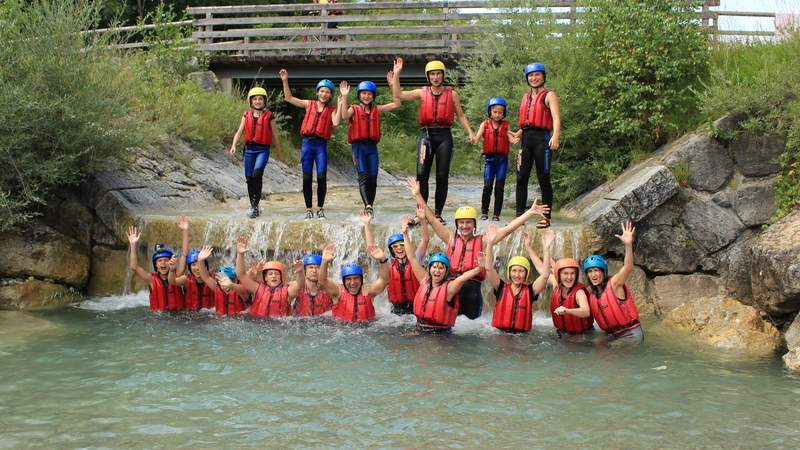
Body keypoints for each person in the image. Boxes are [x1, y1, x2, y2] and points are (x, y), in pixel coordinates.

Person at [407, 177, 550, 319]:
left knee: (471, 331)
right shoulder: (450, 238)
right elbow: (431, 219)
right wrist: (418, 195)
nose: (464, 226)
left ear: (474, 225)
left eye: (468, 222)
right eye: (461, 223)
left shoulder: (483, 241)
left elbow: (507, 230)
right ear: (457, 224)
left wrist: (529, 213)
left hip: (472, 293)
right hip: (450, 290)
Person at [391, 56, 475, 223]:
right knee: (421, 175)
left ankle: (437, 214)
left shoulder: (452, 94)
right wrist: (397, 74)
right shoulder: (421, 93)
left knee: (442, 176)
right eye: (432, 74)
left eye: (438, 74)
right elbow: (398, 94)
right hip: (426, 137)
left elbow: (461, 115)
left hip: (444, 137)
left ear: (443, 75)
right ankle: (420, 213)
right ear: (428, 76)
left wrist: (471, 132)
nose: (435, 77)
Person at [400, 216, 484, 333]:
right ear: (429, 269)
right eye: (434, 267)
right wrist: (405, 234)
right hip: (419, 329)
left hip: (441, 335)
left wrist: (479, 268)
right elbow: (412, 258)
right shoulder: (424, 279)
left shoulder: (450, 287)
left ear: (446, 271)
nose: (437, 271)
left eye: (441, 268)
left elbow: (465, 276)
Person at [279, 69, 342, 219]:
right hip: (307, 144)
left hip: (320, 146)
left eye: (327, 92)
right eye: (322, 91)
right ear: (317, 93)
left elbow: (336, 122)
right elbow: (288, 98)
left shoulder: (332, 110)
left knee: (321, 177)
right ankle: (308, 210)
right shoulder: (309, 104)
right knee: (306, 178)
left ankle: (320, 209)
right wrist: (285, 80)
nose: (324, 94)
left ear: (331, 95)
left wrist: (340, 104)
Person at [337, 76, 401, 216]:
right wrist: (345, 97)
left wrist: (392, 84)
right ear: (359, 95)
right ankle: (368, 205)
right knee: (363, 176)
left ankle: (370, 207)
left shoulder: (377, 109)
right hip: (358, 147)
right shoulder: (353, 108)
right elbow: (343, 116)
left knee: (373, 178)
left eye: (369, 94)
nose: (366, 96)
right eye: (364, 93)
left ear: (373, 96)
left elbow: (397, 104)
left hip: (372, 148)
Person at [514, 62, 561, 228]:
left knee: (543, 178)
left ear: (543, 76)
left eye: (537, 75)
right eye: (531, 76)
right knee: (521, 178)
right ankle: (519, 216)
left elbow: (555, 117)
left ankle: (546, 217)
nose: (534, 78)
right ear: (527, 78)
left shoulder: (549, 95)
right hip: (525, 139)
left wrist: (555, 136)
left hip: (542, 139)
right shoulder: (525, 97)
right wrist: (518, 134)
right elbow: (527, 122)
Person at [360, 208, 429, 315]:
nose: (399, 248)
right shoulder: (389, 265)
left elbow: (425, 240)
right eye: (395, 246)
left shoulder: (416, 259)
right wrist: (366, 224)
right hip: (396, 314)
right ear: (391, 250)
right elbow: (372, 249)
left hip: (416, 309)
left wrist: (423, 220)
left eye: (402, 245)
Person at [484, 228, 554, 333]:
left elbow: (545, 275)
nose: (517, 275)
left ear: (526, 274)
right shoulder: (500, 287)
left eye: (521, 271)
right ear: (509, 272)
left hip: (522, 338)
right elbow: (489, 268)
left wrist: (546, 249)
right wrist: (489, 244)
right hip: (499, 335)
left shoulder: (531, 291)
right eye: (514, 271)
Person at [584, 221, 643, 345]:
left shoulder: (614, 283)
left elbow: (627, 267)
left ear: (603, 272)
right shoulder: (591, 291)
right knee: (588, 345)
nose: (593, 275)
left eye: (596, 271)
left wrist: (628, 245)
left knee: (605, 355)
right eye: (590, 272)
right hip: (612, 335)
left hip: (630, 334)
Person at [229, 87, 283, 219]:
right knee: (249, 179)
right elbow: (240, 131)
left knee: (257, 174)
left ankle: (255, 204)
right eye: (255, 99)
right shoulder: (246, 115)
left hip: (263, 150)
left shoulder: (269, 116)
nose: (258, 101)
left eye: (260, 99)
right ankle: (254, 207)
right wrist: (233, 145)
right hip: (249, 150)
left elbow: (275, 136)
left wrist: (278, 152)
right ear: (251, 101)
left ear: (264, 101)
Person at [470, 97, 520, 221]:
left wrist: (514, 140)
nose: (497, 115)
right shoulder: (485, 124)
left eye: (500, 112)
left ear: (503, 113)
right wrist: (473, 138)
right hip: (489, 160)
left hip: (502, 160)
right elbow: (476, 139)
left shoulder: (506, 126)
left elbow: (511, 138)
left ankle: (496, 214)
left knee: (499, 187)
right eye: (495, 112)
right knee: (487, 186)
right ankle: (484, 212)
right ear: (490, 112)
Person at [126, 217, 188, 312]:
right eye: (159, 261)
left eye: (166, 260)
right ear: (156, 266)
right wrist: (133, 245)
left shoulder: (177, 275)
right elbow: (134, 267)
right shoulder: (151, 279)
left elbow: (184, 255)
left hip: (178, 318)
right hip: (158, 319)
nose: (163, 262)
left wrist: (184, 231)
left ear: (171, 262)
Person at [235, 236, 304, 319]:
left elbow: (299, 285)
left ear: (281, 276)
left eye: (277, 274)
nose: (274, 276)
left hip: (280, 326)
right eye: (270, 274)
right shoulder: (257, 288)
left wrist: (300, 272)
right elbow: (241, 275)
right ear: (266, 277)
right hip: (256, 324)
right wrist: (240, 254)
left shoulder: (288, 292)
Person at [318, 242, 389, 323]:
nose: (352, 283)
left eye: (356, 278)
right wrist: (324, 262)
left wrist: (383, 260)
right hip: (341, 329)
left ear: (361, 279)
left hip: (367, 329)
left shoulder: (368, 291)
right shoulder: (338, 292)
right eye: (348, 279)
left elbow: (384, 280)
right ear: (344, 281)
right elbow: (322, 282)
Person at [193, 246, 251, 316]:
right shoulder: (218, 288)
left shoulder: (242, 292)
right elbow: (206, 277)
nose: (224, 285)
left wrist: (231, 285)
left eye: (227, 281)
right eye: (221, 282)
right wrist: (200, 260)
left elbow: (242, 287)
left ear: (235, 281)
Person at [293, 253, 335, 317]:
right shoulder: (296, 287)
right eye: (310, 267)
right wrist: (299, 272)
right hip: (300, 323)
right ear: (305, 270)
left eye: (318, 268)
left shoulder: (330, 288)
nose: (314, 271)